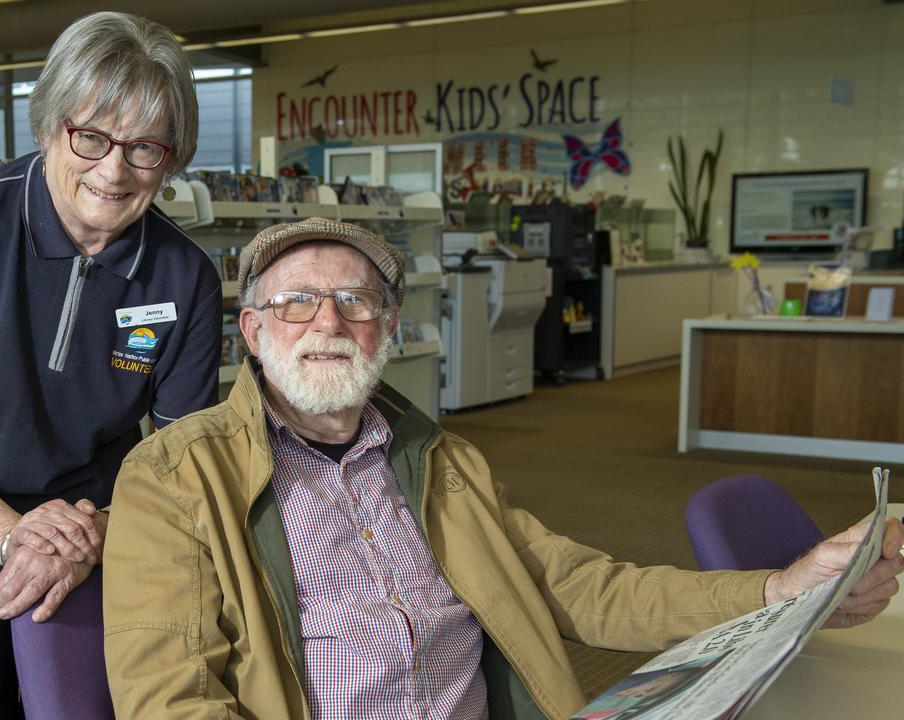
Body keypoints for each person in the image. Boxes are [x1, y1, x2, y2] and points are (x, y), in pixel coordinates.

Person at [100, 217, 904, 720]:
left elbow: (579, 586)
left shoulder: (442, 461)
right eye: (296, 302)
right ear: (250, 331)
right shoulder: (175, 475)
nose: (329, 322)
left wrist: (779, 590)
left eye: (356, 302)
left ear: (386, 328)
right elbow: (170, 700)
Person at [0, 11, 220, 720]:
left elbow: (189, 464)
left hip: (99, 542)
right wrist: (11, 534)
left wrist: (91, 535)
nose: (113, 170)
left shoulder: (186, 279)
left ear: (172, 158)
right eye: (90, 136)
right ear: (50, 122)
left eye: (145, 149)